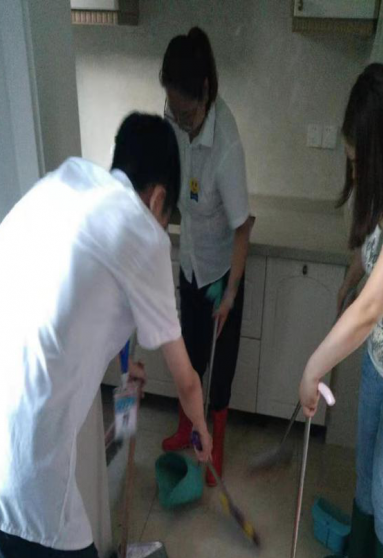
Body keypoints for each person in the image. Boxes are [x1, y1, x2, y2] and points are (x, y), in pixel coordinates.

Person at [0, 112, 212, 558]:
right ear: (159, 199)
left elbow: (69, 301)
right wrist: (202, 432)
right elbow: (187, 382)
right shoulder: (142, 231)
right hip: (22, 482)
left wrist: (122, 370)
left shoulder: (65, 183)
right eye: (166, 215)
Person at [299, 63, 383, 558]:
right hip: (379, 359)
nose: (355, 169)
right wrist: (350, 277)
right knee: (365, 466)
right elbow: (373, 256)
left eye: (358, 158)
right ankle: (361, 554)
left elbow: (372, 309)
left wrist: (313, 368)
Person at [159, 27, 252, 486]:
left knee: (220, 367)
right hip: (190, 262)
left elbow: (243, 227)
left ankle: (217, 442)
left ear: (206, 91)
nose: (178, 120)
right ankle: (186, 428)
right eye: (172, 111)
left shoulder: (226, 146)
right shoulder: (175, 115)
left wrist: (231, 293)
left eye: (186, 113)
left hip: (220, 274)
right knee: (189, 354)